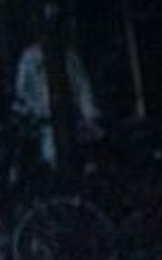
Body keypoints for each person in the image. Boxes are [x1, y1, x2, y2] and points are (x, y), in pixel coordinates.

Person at [13, 9, 100, 167]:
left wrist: (89, 115)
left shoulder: (70, 57)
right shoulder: (29, 59)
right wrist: (37, 114)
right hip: (46, 124)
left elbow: (83, 88)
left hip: (74, 121)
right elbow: (22, 95)